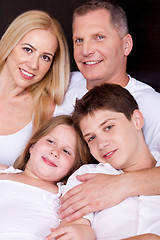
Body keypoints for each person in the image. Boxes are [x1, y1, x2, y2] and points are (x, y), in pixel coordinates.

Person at [58, 0, 160, 222]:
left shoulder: (150, 105)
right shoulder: (62, 84)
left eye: (99, 37)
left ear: (126, 45)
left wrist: (121, 185)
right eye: (79, 40)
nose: (86, 50)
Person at [46, 84, 160, 240]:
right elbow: (72, 230)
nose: (101, 144)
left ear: (137, 120)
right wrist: (80, 230)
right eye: (91, 138)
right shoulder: (87, 176)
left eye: (108, 127)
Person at [0, 114, 95, 240]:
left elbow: (80, 228)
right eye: (50, 141)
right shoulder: (4, 173)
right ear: (32, 146)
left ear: (73, 169)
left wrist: (86, 232)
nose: (55, 152)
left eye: (66, 151)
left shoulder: (66, 195)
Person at [0, 10, 70, 166]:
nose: (33, 65)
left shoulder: (46, 109)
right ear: (10, 44)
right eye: (28, 50)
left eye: (45, 57)